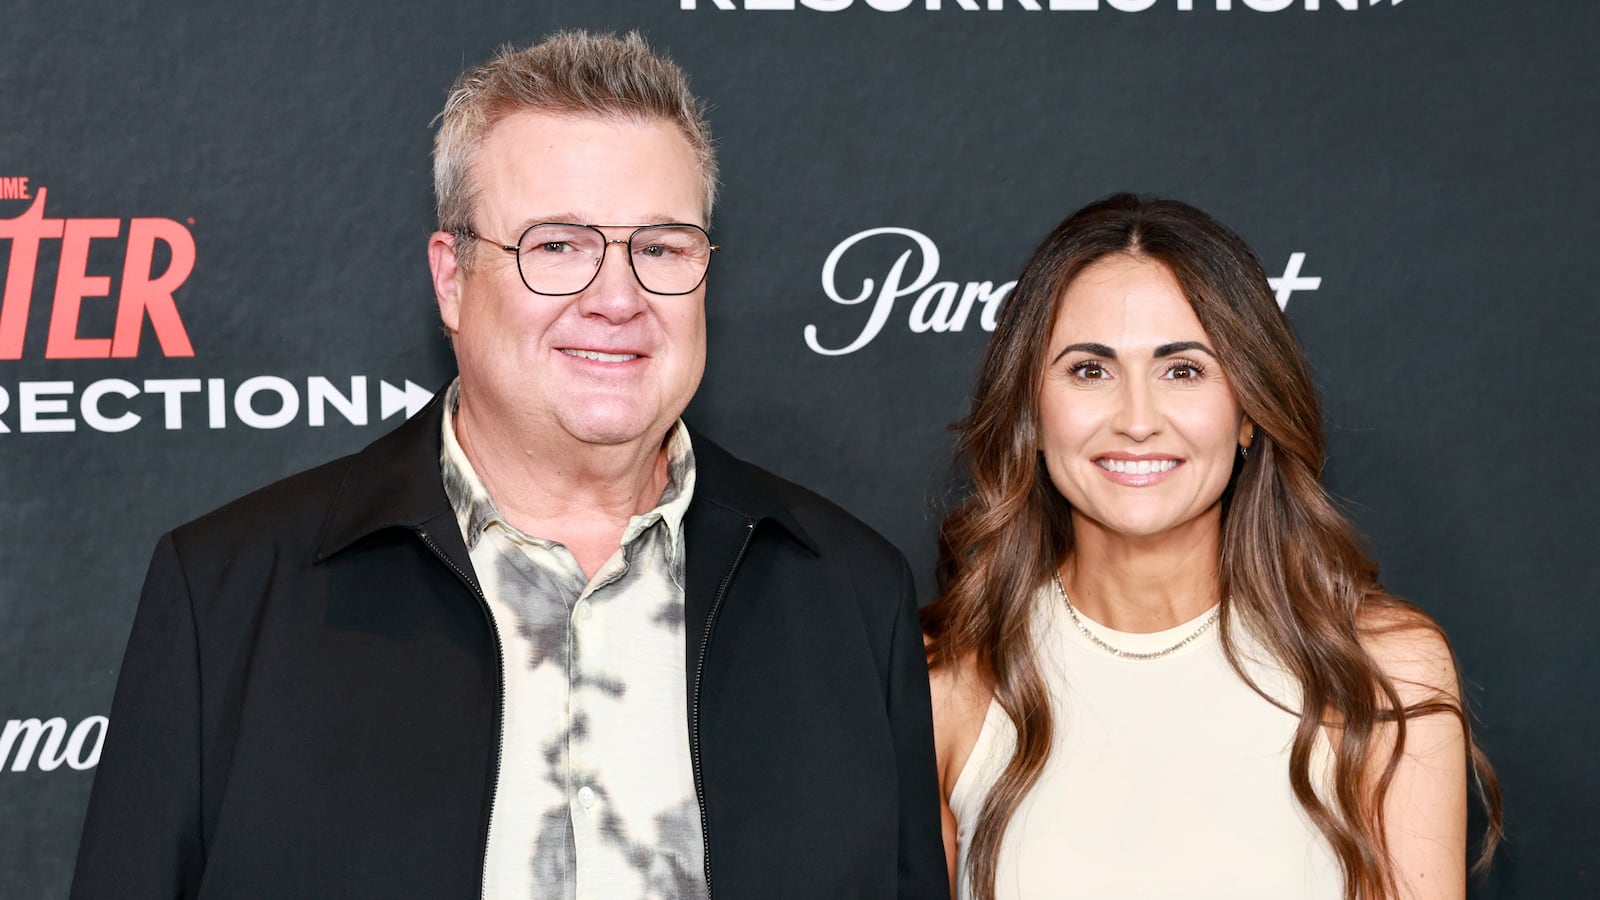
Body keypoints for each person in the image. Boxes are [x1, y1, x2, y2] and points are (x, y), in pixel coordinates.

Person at [72, 31, 947, 899]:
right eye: (558, 245)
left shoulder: (850, 594)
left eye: (662, 247)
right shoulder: (228, 594)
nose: (617, 298)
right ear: (452, 279)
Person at [922, 194, 1501, 900]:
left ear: (1250, 413)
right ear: (1031, 416)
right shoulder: (948, 680)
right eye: (1090, 370)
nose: (1137, 420)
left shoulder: (1383, 669)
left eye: (1183, 370)